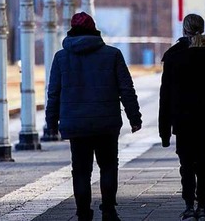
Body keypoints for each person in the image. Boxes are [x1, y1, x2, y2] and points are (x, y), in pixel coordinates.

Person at [46, 12, 142, 221]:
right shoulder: (112, 54)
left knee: (80, 170)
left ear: (71, 31)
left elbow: (53, 92)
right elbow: (126, 89)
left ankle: (83, 213)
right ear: (94, 29)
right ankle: (108, 210)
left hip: (76, 125)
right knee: (108, 166)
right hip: (106, 124)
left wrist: (51, 123)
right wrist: (134, 118)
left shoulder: (61, 57)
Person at [159, 13, 205, 221]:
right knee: (203, 163)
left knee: (186, 165)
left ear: (184, 30)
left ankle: (189, 205)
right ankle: (202, 206)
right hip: (203, 121)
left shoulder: (173, 57)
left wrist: (164, 131)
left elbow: (166, 96)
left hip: (182, 122)